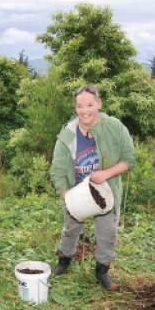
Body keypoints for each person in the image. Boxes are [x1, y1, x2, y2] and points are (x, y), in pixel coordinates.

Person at [49, 85, 135, 290]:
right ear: (75, 108)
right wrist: (66, 195)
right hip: (77, 191)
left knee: (108, 234)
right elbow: (57, 170)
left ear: (99, 104)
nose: (84, 110)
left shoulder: (114, 127)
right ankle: (64, 262)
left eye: (89, 104)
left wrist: (105, 174)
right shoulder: (68, 134)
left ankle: (102, 271)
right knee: (70, 228)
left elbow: (129, 159)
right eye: (79, 106)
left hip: (106, 191)